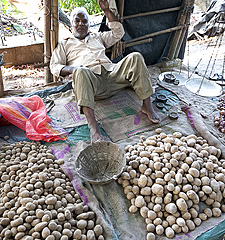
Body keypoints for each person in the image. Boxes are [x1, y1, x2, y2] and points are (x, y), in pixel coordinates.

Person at [50, 0, 159, 143]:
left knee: (135, 57)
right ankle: (93, 127)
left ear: (89, 25)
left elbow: (118, 32)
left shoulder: (98, 36)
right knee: (81, 72)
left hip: (113, 76)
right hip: (92, 85)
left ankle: (147, 106)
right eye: (77, 21)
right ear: (71, 25)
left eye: (84, 21)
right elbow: (55, 66)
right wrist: (75, 69)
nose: (81, 24)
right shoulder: (65, 44)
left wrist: (107, 11)